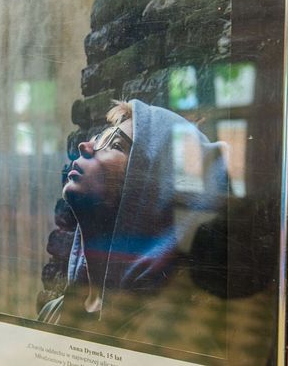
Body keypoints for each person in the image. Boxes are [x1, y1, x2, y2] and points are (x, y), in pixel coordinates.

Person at [38, 99, 233, 355]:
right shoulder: (51, 313)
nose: (84, 146)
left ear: (154, 193)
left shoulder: (171, 340)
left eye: (115, 145)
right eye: (97, 139)